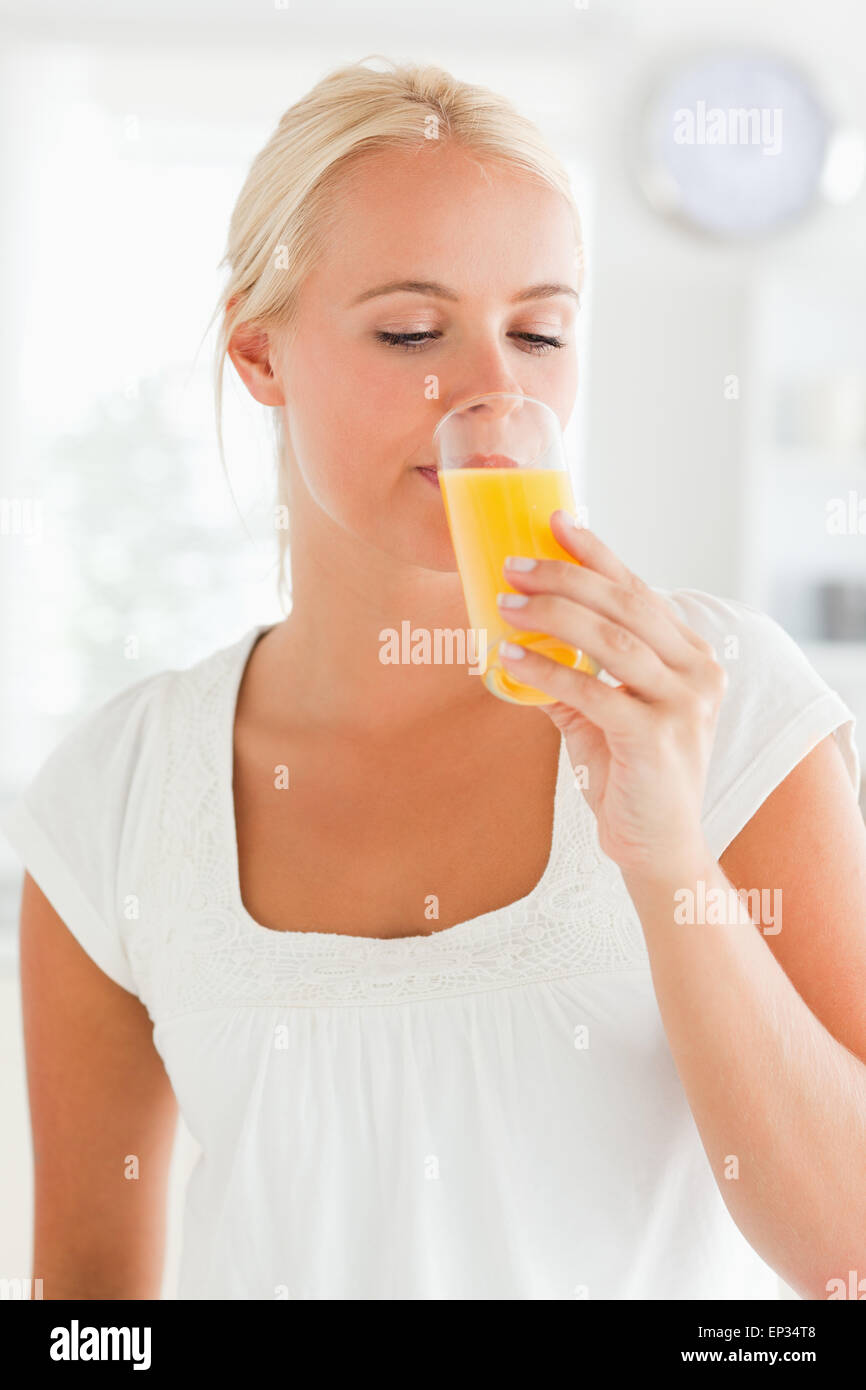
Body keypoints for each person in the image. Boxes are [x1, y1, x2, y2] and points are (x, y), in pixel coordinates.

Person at [4, 56, 866, 1302]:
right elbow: (85, 1309)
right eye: (411, 330)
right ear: (259, 354)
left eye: (539, 331)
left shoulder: (716, 703)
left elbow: (848, 1247)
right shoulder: (116, 798)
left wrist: (668, 855)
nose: (492, 390)